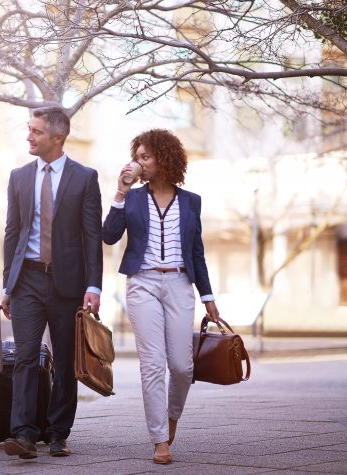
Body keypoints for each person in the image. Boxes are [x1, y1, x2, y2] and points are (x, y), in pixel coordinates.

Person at [101, 129, 219, 465]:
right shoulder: (134, 198)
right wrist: (120, 193)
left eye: (145, 157)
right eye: (137, 157)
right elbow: (109, 237)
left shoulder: (191, 201)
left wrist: (208, 296)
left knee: (182, 367)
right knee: (153, 365)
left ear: (164, 159)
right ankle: (159, 440)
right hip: (143, 284)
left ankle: (170, 419)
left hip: (181, 284)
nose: (138, 163)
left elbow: (197, 252)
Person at [1, 106, 103, 459]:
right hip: (27, 280)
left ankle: (58, 432)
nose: (29, 136)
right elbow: (12, 233)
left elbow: (92, 236)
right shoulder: (18, 177)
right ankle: (24, 434)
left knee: (64, 362)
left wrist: (94, 286)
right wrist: (7, 287)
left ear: (57, 138)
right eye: (29, 130)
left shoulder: (85, 178)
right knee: (26, 356)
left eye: (36, 131)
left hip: (68, 284)